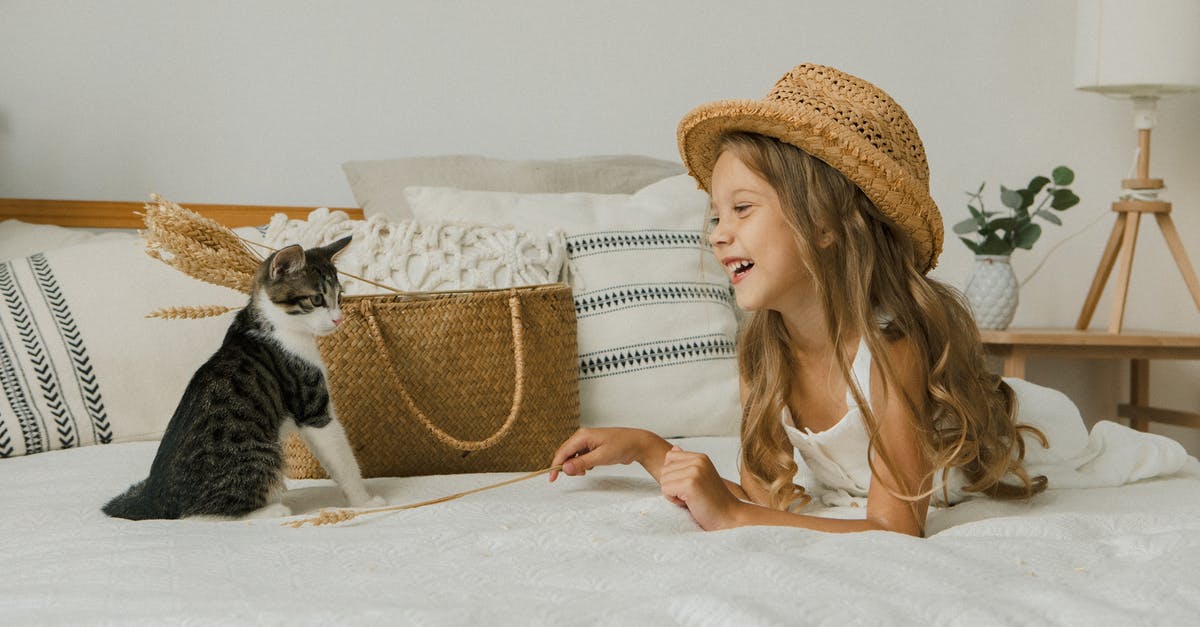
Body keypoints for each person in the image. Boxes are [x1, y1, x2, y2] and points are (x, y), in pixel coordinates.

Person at [549, 63, 1064, 537]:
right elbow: (759, 501)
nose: (718, 235)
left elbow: (895, 530)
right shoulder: (766, 351)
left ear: (823, 223)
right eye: (715, 216)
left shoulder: (893, 348)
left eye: (742, 209)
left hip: (1043, 443)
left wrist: (731, 516)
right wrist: (649, 449)